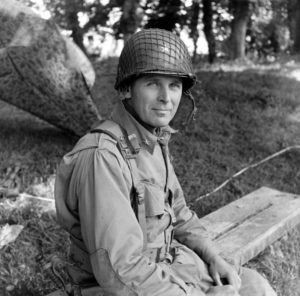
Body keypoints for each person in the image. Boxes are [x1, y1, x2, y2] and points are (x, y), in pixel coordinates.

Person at [55, 28, 277, 296]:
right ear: (126, 88)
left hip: (167, 267)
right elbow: (119, 271)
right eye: (153, 83)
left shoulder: (153, 139)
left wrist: (214, 256)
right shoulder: (102, 157)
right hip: (118, 287)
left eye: (174, 85)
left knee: (256, 288)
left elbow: (180, 214)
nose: (166, 98)